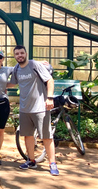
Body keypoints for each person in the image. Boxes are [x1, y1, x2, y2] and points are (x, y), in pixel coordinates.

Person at [9, 45, 59, 176]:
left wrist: (49, 98)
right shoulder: (16, 69)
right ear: (14, 56)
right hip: (25, 109)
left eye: (22, 53)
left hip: (40, 108)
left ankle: (52, 163)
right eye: (17, 54)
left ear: (26, 54)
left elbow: (49, 80)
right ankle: (31, 160)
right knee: (28, 136)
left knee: (47, 137)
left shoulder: (34, 65)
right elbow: (11, 83)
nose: (19, 55)